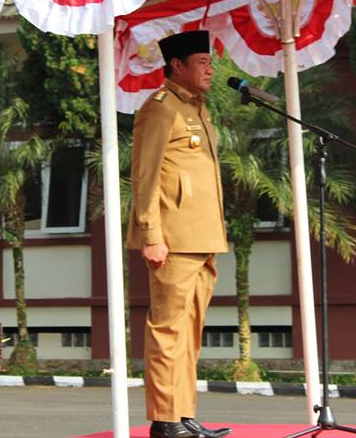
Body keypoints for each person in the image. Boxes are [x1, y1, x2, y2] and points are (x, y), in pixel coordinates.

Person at [126, 30, 232, 438]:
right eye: (202, 62)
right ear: (177, 66)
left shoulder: (197, 108)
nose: (210, 69)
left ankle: (183, 412)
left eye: (210, 62)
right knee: (168, 329)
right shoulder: (160, 109)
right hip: (172, 239)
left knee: (190, 330)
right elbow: (145, 176)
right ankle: (164, 420)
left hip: (202, 237)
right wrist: (151, 234)